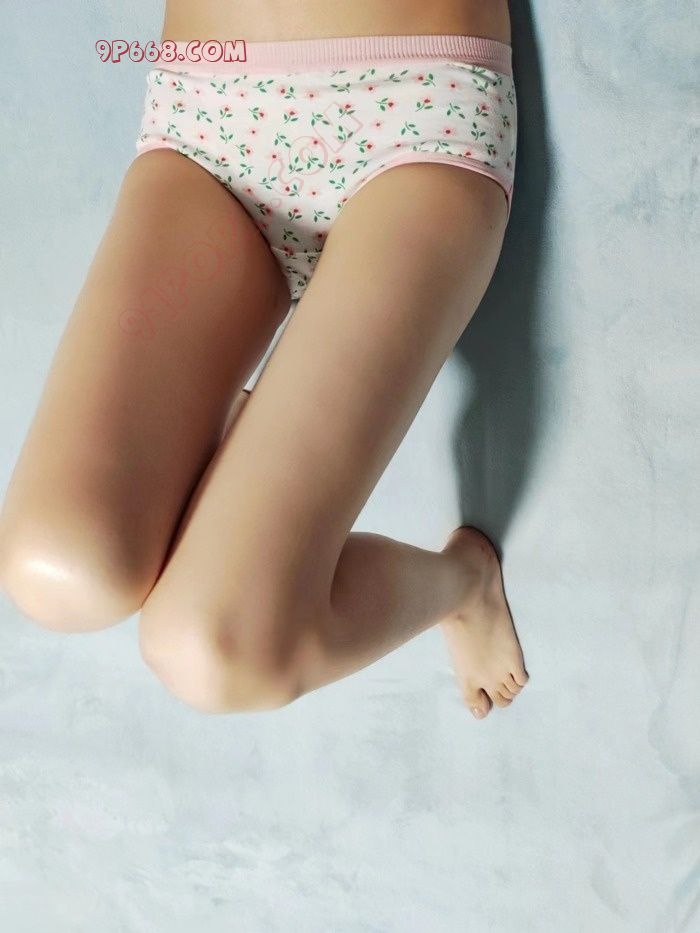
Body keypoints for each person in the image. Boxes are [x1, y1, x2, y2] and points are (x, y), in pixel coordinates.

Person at [0, 0, 529, 719]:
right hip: (209, 130)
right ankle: (235, 458)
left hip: (416, 112)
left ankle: (464, 581)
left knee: (219, 651)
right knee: (58, 568)